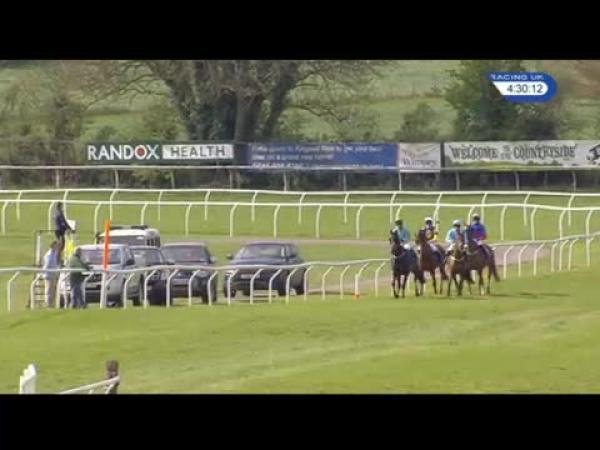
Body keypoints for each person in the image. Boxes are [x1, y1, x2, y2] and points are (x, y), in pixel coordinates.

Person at [42, 241, 60, 308]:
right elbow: (47, 265)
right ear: (53, 246)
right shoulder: (48, 255)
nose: (57, 247)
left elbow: (54, 264)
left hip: (53, 274)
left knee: (52, 291)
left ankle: (51, 304)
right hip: (48, 275)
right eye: (56, 246)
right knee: (49, 290)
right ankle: (48, 304)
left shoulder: (54, 253)